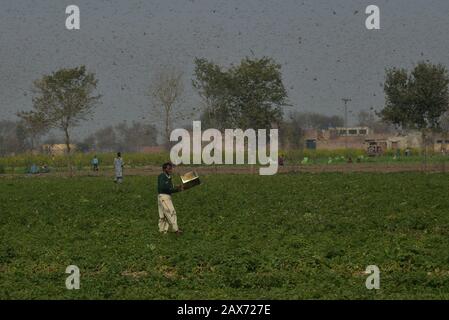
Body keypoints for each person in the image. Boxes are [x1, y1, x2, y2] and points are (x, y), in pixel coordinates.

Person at [157, 162, 184, 235]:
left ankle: (162, 232)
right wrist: (176, 189)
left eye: (171, 168)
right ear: (164, 169)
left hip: (164, 197)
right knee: (171, 212)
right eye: (169, 168)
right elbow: (164, 188)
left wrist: (176, 187)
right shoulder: (162, 176)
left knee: (163, 216)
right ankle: (176, 230)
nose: (170, 170)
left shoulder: (168, 177)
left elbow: (169, 187)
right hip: (164, 197)